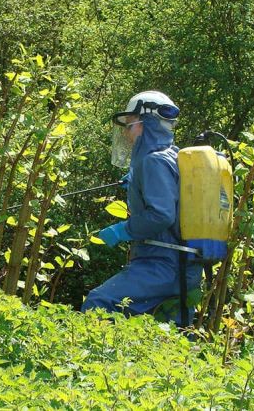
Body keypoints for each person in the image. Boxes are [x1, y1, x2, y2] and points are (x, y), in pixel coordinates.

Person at [81, 91, 201, 324]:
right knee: (166, 338)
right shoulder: (173, 156)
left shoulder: (153, 161)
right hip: (185, 267)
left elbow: (161, 216)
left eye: (129, 125)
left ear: (147, 123)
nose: (126, 133)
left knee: (99, 303)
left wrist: (123, 230)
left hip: (161, 263)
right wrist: (138, 182)